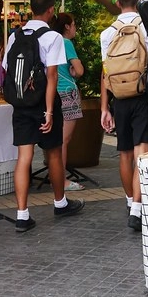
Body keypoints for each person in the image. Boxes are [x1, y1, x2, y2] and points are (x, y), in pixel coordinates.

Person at [0, 0, 84, 232]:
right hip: (43, 104)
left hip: (21, 104)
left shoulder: (15, 36)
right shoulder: (52, 37)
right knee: (54, 153)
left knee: (23, 157)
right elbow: (52, 75)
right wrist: (48, 111)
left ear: (30, 8)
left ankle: (22, 214)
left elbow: (7, 69)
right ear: (50, 10)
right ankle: (60, 202)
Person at [100, 0, 148, 233]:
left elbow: (105, 73)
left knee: (124, 153)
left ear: (118, 3)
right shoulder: (147, 29)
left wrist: (104, 108)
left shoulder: (107, 33)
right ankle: (137, 209)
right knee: (141, 151)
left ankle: (131, 201)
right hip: (142, 96)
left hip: (118, 99)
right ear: (139, 0)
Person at [53, 12, 85, 192]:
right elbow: (79, 70)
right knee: (64, 139)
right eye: (73, 25)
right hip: (67, 92)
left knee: (56, 138)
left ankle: (55, 174)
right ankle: (62, 179)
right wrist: (74, 71)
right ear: (67, 26)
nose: (75, 28)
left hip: (52, 92)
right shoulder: (66, 43)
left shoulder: (50, 41)